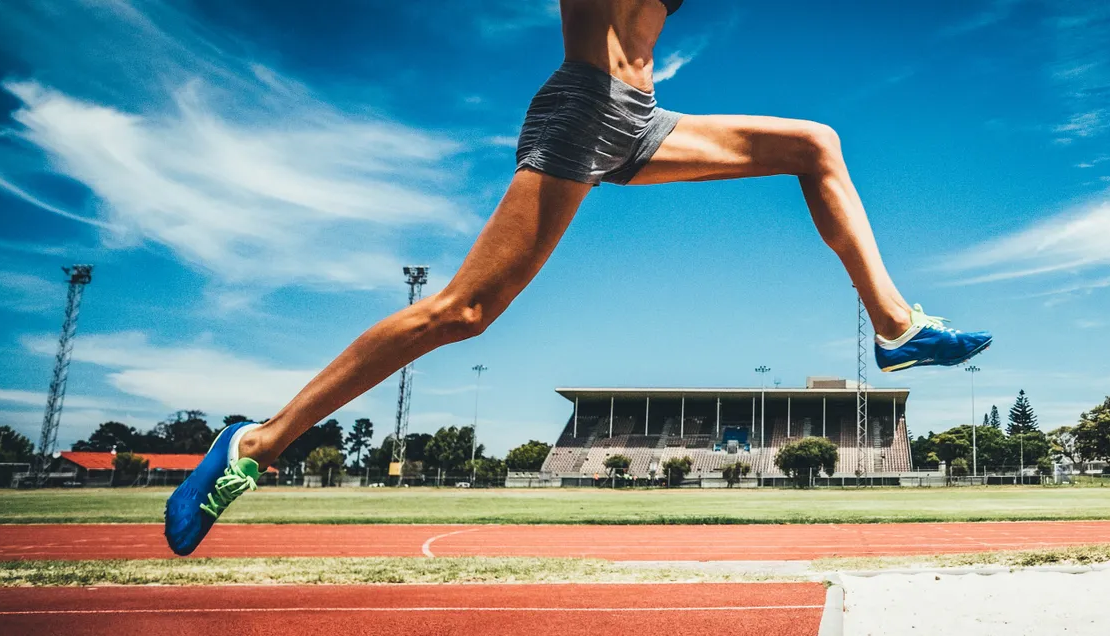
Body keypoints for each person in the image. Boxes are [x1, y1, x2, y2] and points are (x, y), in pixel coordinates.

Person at [164, 0, 991, 556]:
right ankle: (258, 442)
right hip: (583, 105)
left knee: (815, 144)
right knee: (464, 311)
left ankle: (896, 330)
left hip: (640, 117)